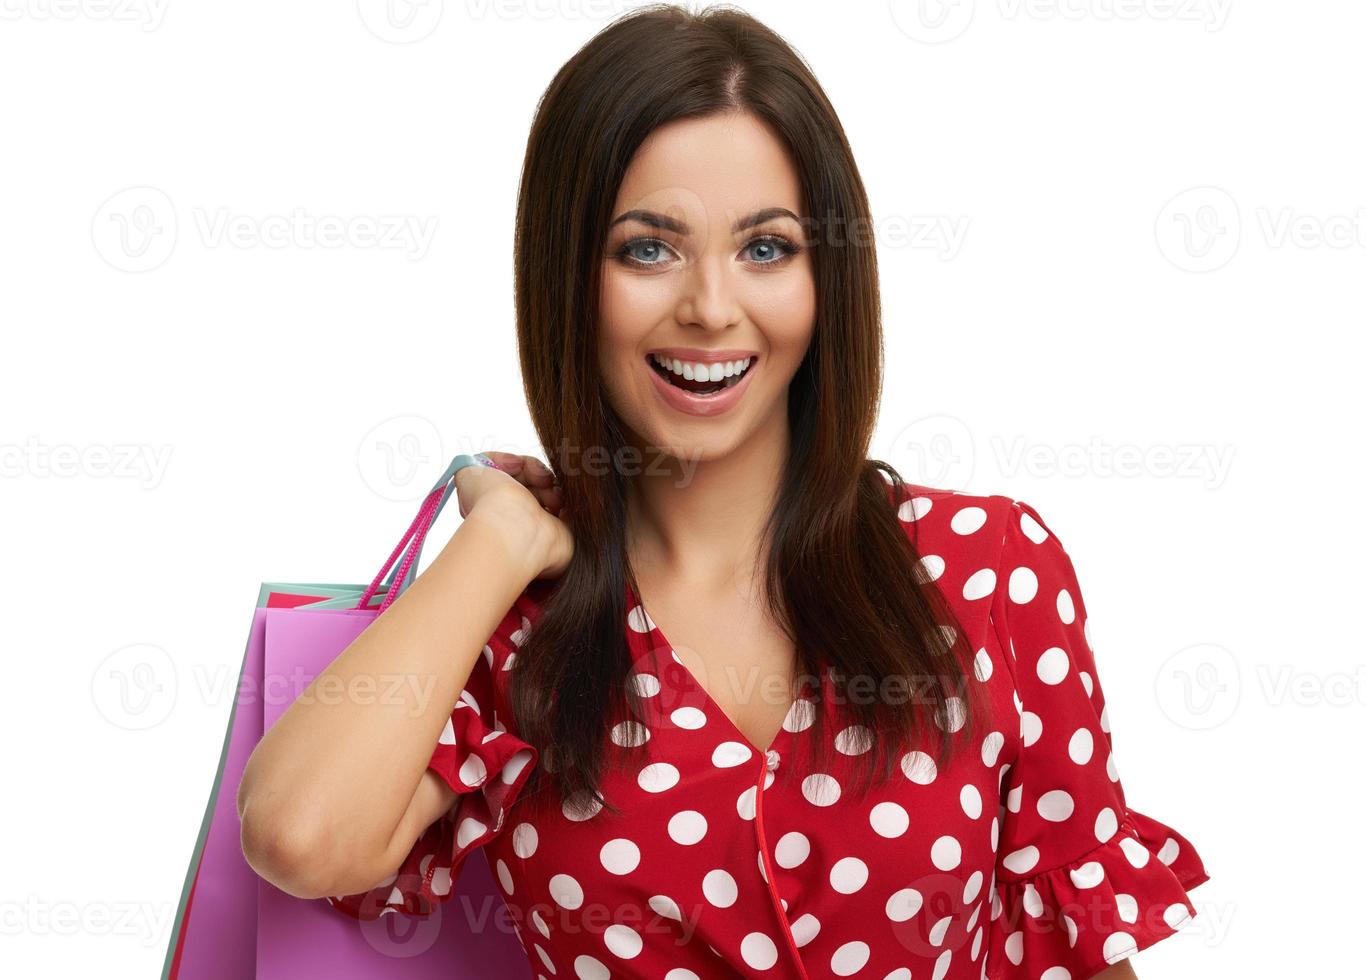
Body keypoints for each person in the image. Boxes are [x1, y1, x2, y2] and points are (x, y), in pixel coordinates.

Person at [236, 5, 1209, 977]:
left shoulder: (989, 568)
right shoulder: (512, 630)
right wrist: (500, 536)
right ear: (569, 277)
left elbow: (1083, 946)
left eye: (766, 247)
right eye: (648, 248)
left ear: (827, 275)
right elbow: (301, 833)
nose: (709, 307)